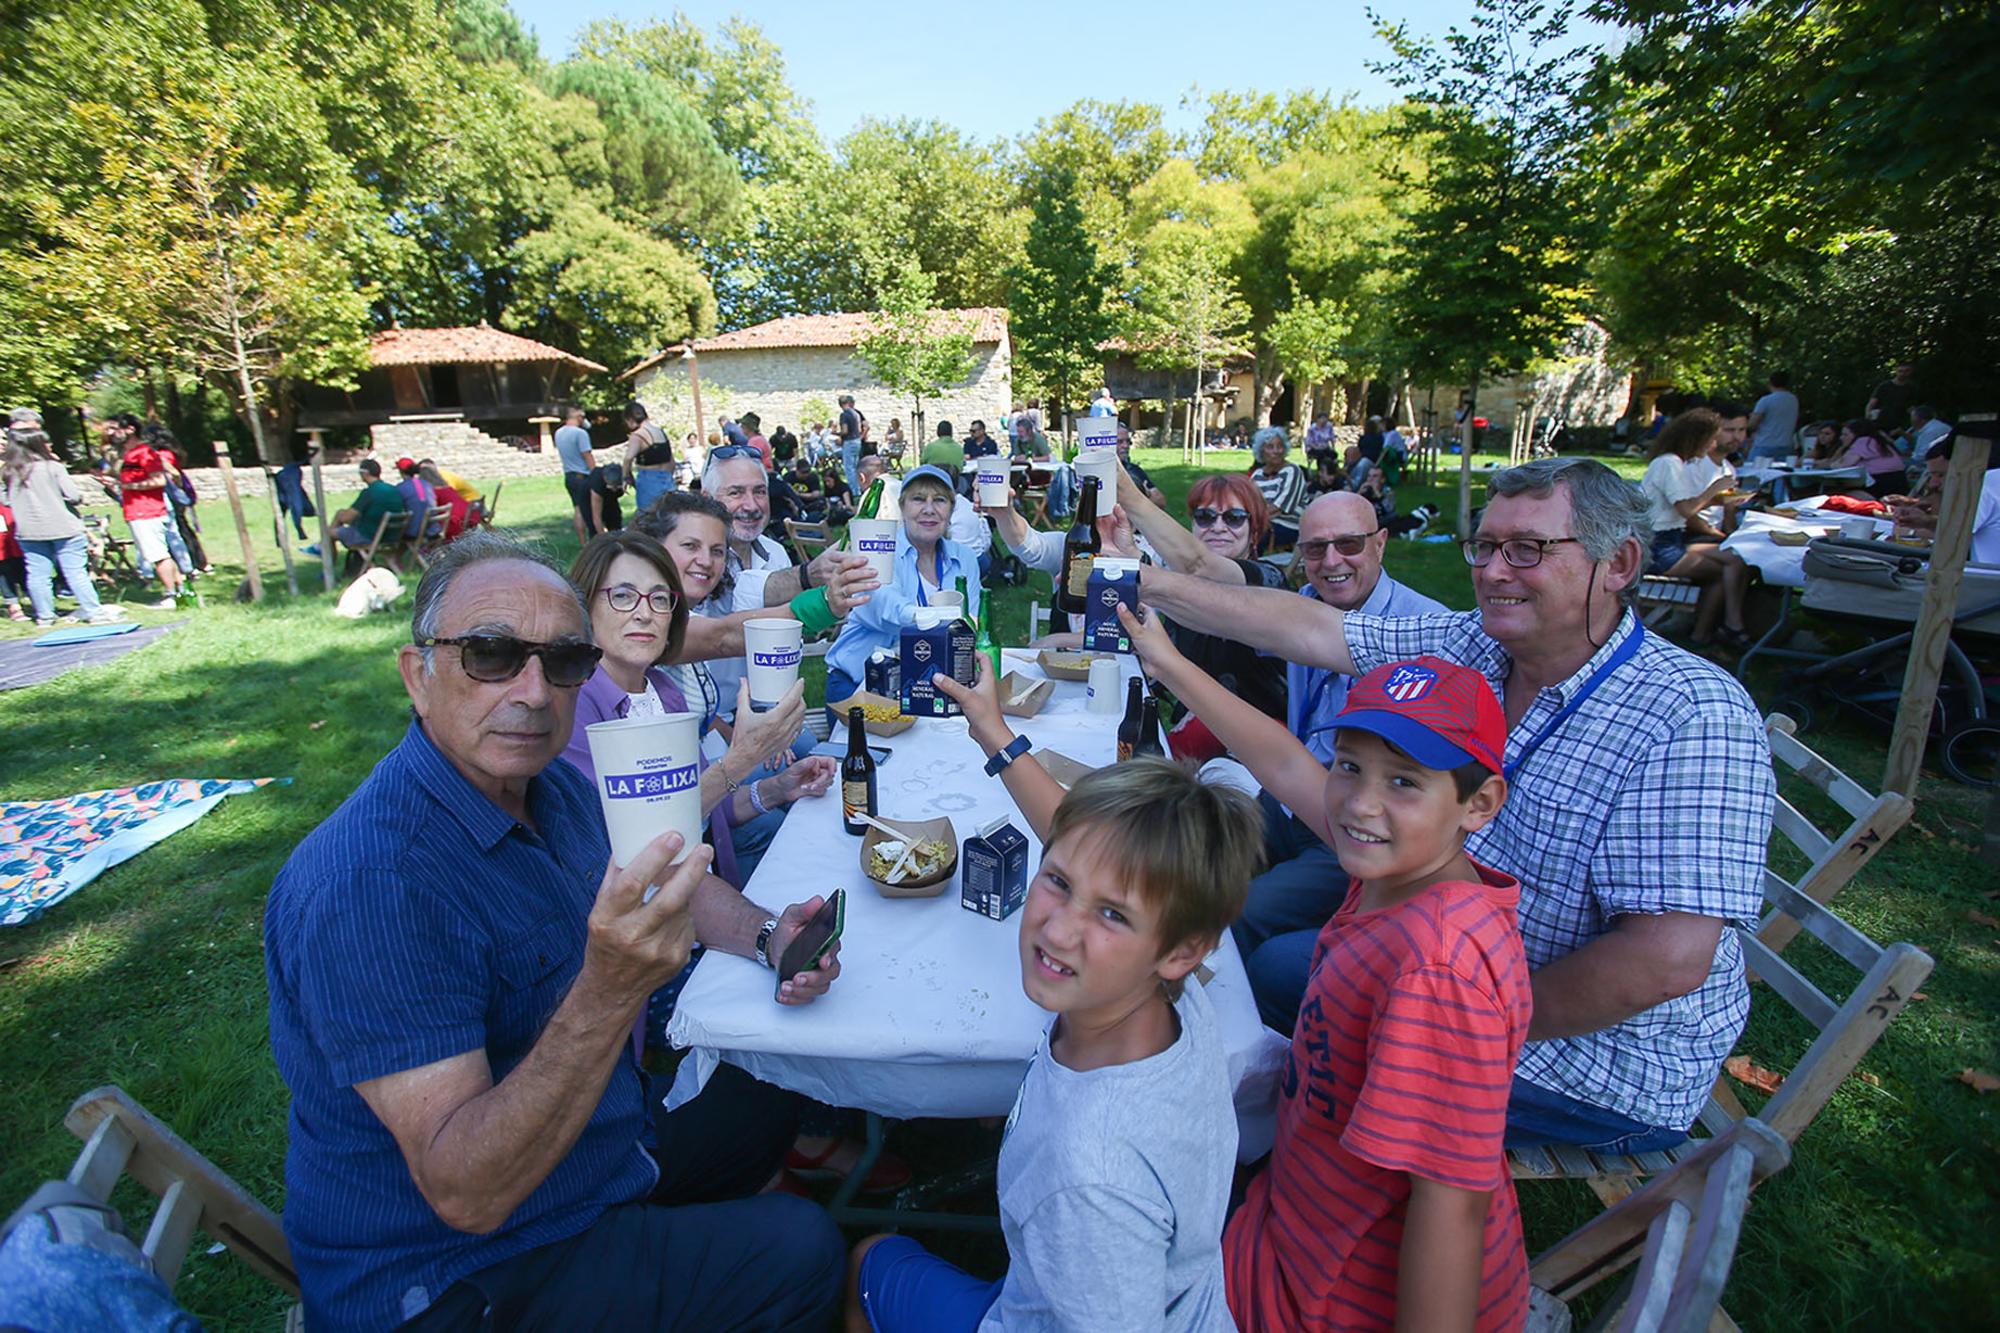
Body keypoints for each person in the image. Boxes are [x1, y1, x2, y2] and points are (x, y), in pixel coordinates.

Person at [262, 531, 845, 1331]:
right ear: (417, 675)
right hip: (463, 1275)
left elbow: (665, 876)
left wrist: (773, 932)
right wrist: (611, 990)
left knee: (778, 1076)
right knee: (802, 1247)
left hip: (593, 1157)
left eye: (564, 660)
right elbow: (468, 1191)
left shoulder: (549, 790)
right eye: (492, 653)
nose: (534, 691)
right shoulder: (373, 883)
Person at [1138, 457, 1773, 1153]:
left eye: (1527, 548)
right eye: (1487, 546)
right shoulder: (1478, 645)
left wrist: (1459, 1016)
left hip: (1586, 1061)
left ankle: (1264, 1184)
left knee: (1279, 1017)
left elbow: (1665, 961)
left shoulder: (1691, 713)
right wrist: (1144, 587)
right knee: (1268, 970)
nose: (1494, 570)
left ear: (1618, 562)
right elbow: (1314, 630)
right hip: (1434, 953)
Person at [1141, 632, 1529, 1332]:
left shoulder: (1436, 972)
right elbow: (1285, 759)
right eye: (1349, 765)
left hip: (1310, 1301)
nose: (1359, 803)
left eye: (1403, 779)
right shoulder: (1396, 868)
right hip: (1290, 1221)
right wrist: (1168, 661)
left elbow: (1452, 1207)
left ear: (1480, 803)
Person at [846, 682, 1262, 1333]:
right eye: (1060, 881)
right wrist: (991, 728)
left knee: (871, 1257)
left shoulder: (1089, 1179)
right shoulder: (1171, 992)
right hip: (1182, 1289)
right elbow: (1076, 836)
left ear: (1182, 949)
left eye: (1112, 914)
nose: (1059, 930)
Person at [1232, 493, 1446, 967]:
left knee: (1241, 914)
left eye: (1348, 544)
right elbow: (1213, 582)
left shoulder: (1426, 633)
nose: (1331, 562)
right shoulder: (1307, 605)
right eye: (1314, 549)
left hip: (1352, 825)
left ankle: (1230, 1026)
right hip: (1290, 795)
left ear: (1381, 543)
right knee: (1189, 865)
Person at [562, 528, 835, 893]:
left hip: (698, 903)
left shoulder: (663, 690)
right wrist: (744, 755)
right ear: (584, 607)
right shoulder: (575, 705)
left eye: (659, 599)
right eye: (623, 596)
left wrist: (778, 789)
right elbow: (642, 840)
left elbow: (707, 808)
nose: (644, 613)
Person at [823, 465, 981, 713]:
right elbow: (885, 607)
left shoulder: (965, 558)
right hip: (860, 684)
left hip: (930, 687)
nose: (929, 509)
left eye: (939, 500)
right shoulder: (879, 548)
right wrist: (937, 617)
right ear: (903, 507)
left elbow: (969, 628)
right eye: (918, 499)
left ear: (950, 511)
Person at [1641, 410, 1754, 648]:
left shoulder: (1675, 463)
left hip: (1671, 539)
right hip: (1658, 547)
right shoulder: (1668, 464)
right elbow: (1686, 509)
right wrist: (1714, 489)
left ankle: (1725, 627)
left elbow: (1681, 505)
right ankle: (1715, 631)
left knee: (1736, 559)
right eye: (1711, 438)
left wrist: (1720, 501)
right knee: (1726, 570)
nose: (1714, 444)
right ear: (1696, 438)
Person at [3, 428, 120, 626]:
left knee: (38, 574)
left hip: (29, 530)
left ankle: (45, 616)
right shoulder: (52, 467)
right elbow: (73, 496)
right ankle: (94, 612)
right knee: (75, 571)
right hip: (64, 526)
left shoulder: (8, 471)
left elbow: (5, 500)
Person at [110, 419, 184, 607]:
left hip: (147, 511)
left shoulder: (145, 453)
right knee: (160, 553)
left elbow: (159, 480)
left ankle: (171, 595)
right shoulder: (129, 455)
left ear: (130, 429)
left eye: (115, 428)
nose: (111, 433)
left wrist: (131, 486)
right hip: (136, 511)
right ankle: (181, 591)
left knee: (158, 555)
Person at [331, 459, 409, 562]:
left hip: (370, 537)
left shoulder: (369, 492)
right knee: (341, 513)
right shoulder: (393, 490)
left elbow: (347, 518)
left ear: (365, 473)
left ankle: (328, 566)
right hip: (391, 536)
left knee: (329, 533)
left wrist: (339, 516)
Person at [1246, 427, 1306, 549]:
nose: (1276, 451)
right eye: (1270, 447)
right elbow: (1249, 503)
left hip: (1288, 526)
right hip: (1262, 523)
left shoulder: (1292, 471)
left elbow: (1280, 507)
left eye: (1280, 446)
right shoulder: (1257, 475)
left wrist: (1253, 521)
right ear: (1261, 451)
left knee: (1247, 538)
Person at [554, 406, 605, 540]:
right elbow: (587, 455)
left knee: (578, 509)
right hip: (583, 476)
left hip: (569, 475)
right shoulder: (580, 434)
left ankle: (583, 543)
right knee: (591, 510)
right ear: (579, 417)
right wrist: (596, 474)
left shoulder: (559, 433)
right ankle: (599, 539)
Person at [1830, 418, 1908, 497]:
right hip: (1896, 484)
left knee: (1835, 494)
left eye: (1845, 434)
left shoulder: (1864, 441)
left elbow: (1843, 465)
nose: (1841, 438)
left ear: (1857, 434)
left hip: (1883, 485)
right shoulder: (1877, 442)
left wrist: (1835, 462)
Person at [621, 401, 676, 512]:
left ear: (630, 419)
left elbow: (628, 458)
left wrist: (626, 477)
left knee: (648, 517)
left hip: (648, 479)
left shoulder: (638, 435)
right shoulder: (660, 432)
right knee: (670, 516)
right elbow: (672, 461)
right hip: (667, 478)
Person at [1746, 371, 1801, 461]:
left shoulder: (1766, 400)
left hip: (1765, 445)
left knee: (1752, 471)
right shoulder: (1794, 400)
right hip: (1786, 445)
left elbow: (1753, 424)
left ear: (1770, 383)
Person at [1114, 421, 1166, 507]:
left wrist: (1144, 492)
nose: (1126, 446)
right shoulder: (1097, 473)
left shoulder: (1134, 470)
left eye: (1128, 441)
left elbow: (1161, 501)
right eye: (1119, 442)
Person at [394, 457, 440, 539]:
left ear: (401, 471)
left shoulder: (400, 488)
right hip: (433, 529)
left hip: (414, 531)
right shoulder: (427, 484)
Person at [1865, 360, 1917, 428]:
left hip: (1901, 423)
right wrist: (1867, 419)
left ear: (1911, 371)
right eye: (1900, 371)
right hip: (1881, 421)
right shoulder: (1884, 386)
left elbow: (1912, 407)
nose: (1903, 374)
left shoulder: (1912, 388)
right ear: (1896, 371)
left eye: (1906, 371)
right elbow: (1871, 404)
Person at [838, 393, 864, 496]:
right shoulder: (856, 413)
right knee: (856, 467)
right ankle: (860, 488)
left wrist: (836, 434)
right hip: (857, 440)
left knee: (849, 468)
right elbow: (859, 429)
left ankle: (854, 491)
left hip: (849, 441)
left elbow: (845, 431)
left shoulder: (844, 415)